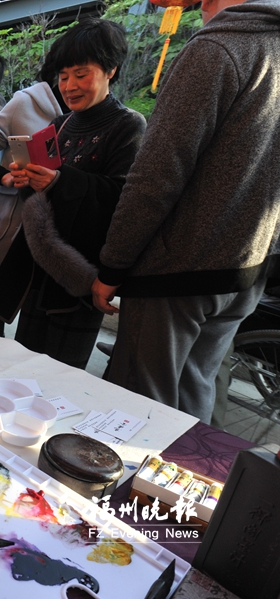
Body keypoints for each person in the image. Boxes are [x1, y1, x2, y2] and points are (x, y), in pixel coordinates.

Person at [91, 0, 280, 422]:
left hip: (177, 271)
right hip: (247, 267)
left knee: (138, 414)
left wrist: (112, 266)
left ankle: (133, 489)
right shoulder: (268, 45)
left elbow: (156, 176)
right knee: (194, 395)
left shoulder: (218, 49)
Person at [0, 19, 146, 370]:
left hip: (80, 276)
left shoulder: (128, 125)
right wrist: (26, 178)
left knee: (61, 376)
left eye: (81, 74)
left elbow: (122, 201)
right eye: (63, 75)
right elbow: (43, 197)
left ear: (110, 70)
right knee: (22, 365)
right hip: (40, 266)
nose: (69, 86)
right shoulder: (61, 124)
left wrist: (58, 181)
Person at [0, 77, 64, 336]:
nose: (72, 85)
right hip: (9, 227)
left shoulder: (89, 114)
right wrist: (6, 177)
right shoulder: (24, 103)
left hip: (52, 230)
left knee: (34, 321)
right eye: (68, 75)